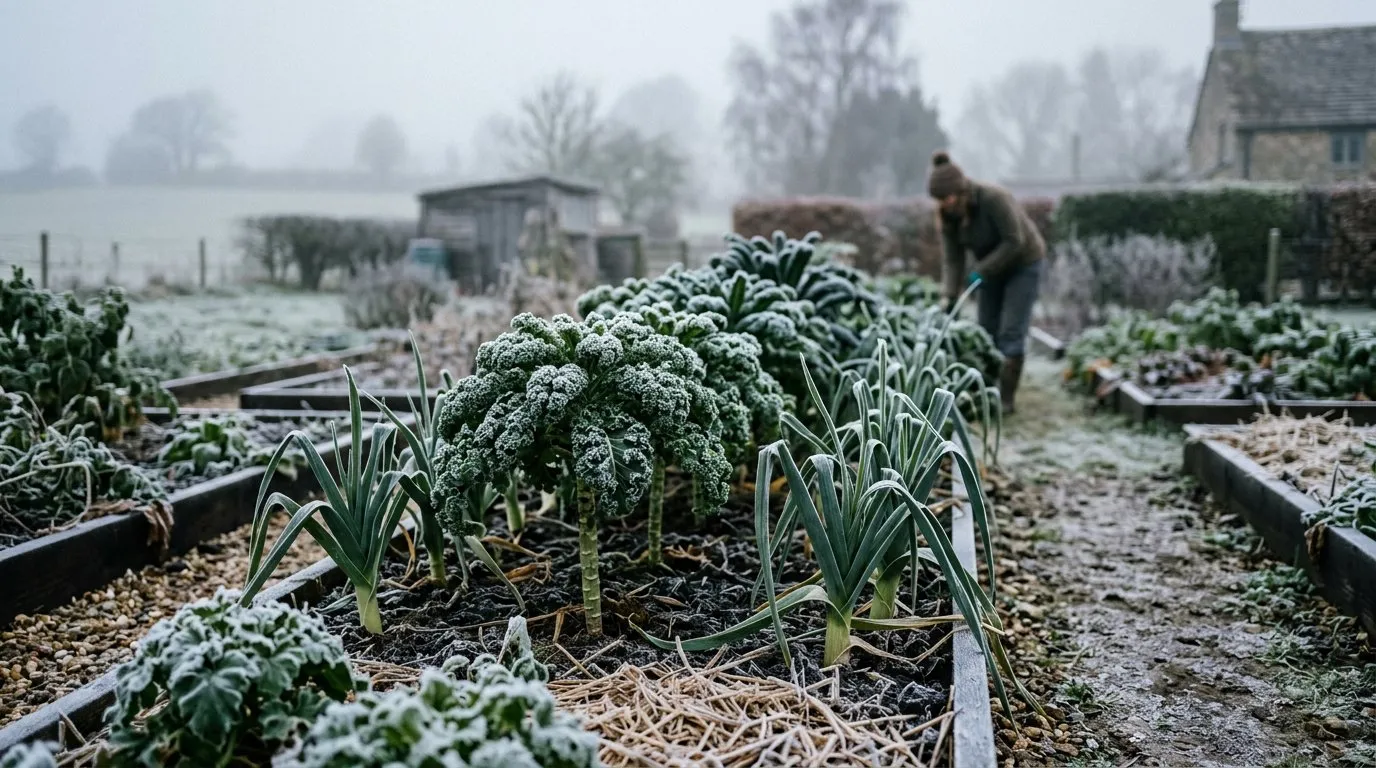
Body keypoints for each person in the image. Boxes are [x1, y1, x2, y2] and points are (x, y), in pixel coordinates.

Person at [928, 150, 1045, 413]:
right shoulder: (949, 217)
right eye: (939, 200)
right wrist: (949, 295)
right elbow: (953, 260)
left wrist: (981, 269)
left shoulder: (994, 198)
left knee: (1010, 331)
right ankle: (986, 393)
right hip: (990, 270)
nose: (945, 204)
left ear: (961, 190)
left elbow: (1015, 241)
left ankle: (1005, 400)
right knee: (985, 331)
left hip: (1023, 264)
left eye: (947, 197)